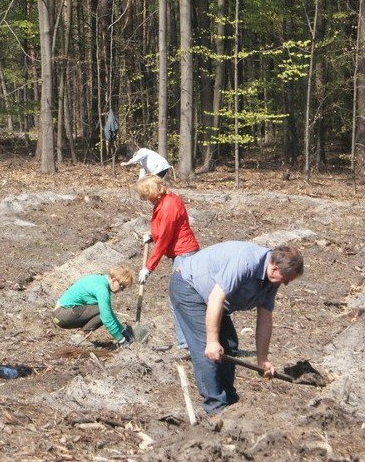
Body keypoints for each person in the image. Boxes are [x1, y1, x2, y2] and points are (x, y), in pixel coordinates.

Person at [169, 241, 303, 416]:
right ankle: (216, 408)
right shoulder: (245, 261)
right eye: (285, 280)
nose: (284, 284)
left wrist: (262, 359)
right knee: (206, 350)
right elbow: (216, 298)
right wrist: (212, 341)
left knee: (229, 345)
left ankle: (230, 403)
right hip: (189, 287)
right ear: (274, 268)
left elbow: (265, 316)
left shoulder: (273, 279)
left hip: (210, 298)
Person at [135, 175, 199, 349]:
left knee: (177, 299)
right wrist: (152, 234)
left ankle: (185, 344)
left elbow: (164, 239)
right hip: (181, 253)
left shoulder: (168, 206)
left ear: (152, 192)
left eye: (145, 195)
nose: (145, 200)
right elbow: (163, 230)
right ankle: (188, 342)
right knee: (181, 298)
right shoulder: (166, 199)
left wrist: (148, 267)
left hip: (184, 254)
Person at [51, 266, 135, 347]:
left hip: (60, 314)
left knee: (104, 310)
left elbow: (108, 312)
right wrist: (121, 339)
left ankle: (78, 337)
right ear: (114, 280)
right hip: (62, 314)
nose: (122, 290)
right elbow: (106, 318)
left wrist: (122, 330)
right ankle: (78, 338)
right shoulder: (102, 289)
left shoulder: (100, 280)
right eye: (121, 286)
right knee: (102, 312)